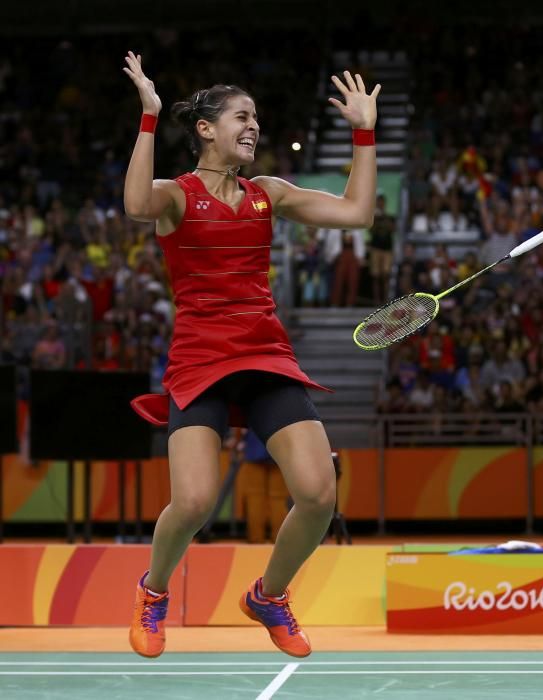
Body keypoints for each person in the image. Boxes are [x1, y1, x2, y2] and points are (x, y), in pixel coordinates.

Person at [121, 51, 380, 658]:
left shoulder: (268, 193)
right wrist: (150, 117)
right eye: (242, 116)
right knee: (192, 502)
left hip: (264, 353)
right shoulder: (177, 197)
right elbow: (136, 204)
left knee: (318, 493)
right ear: (207, 129)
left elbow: (357, 213)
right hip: (201, 360)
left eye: (256, 117)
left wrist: (364, 133)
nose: (253, 126)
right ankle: (153, 591)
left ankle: (269, 595)